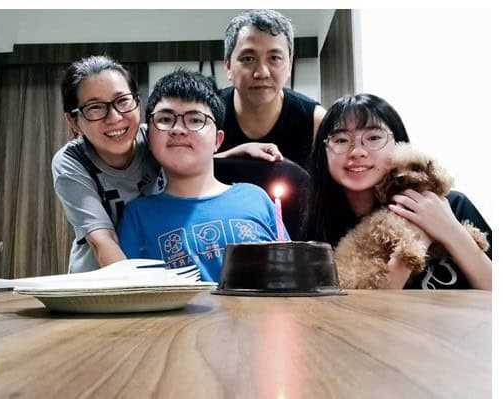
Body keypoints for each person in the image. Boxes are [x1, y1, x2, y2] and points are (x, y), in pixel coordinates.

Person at [303, 93, 492, 290]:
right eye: (341, 140)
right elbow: (361, 314)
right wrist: (420, 236)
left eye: (374, 137)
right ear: (323, 151)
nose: (357, 151)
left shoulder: (452, 205)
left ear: (399, 144)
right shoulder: (320, 229)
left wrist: (450, 231)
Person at [117, 70, 288, 282]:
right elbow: (129, 293)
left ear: (218, 140)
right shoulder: (138, 216)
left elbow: (290, 276)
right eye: (165, 119)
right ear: (149, 139)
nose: (178, 129)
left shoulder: (256, 198)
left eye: (195, 119)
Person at [52, 55, 164, 273]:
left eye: (123, 101)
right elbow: (102, 240)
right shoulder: (72, 161)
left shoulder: (156, 140)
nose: (114, 118)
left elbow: (196, 168)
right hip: (99, 285)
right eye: (95, 107)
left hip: (160, 275)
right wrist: (136, 292)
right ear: (73, 122)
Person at [215, 9, 327, 169]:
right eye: (248, 59)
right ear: (227, 66)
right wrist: (230, 156)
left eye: (274, 58)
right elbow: (178, 175)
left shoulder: (316, 122)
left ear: (289, 66)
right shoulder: (206, 116)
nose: (261, 73)